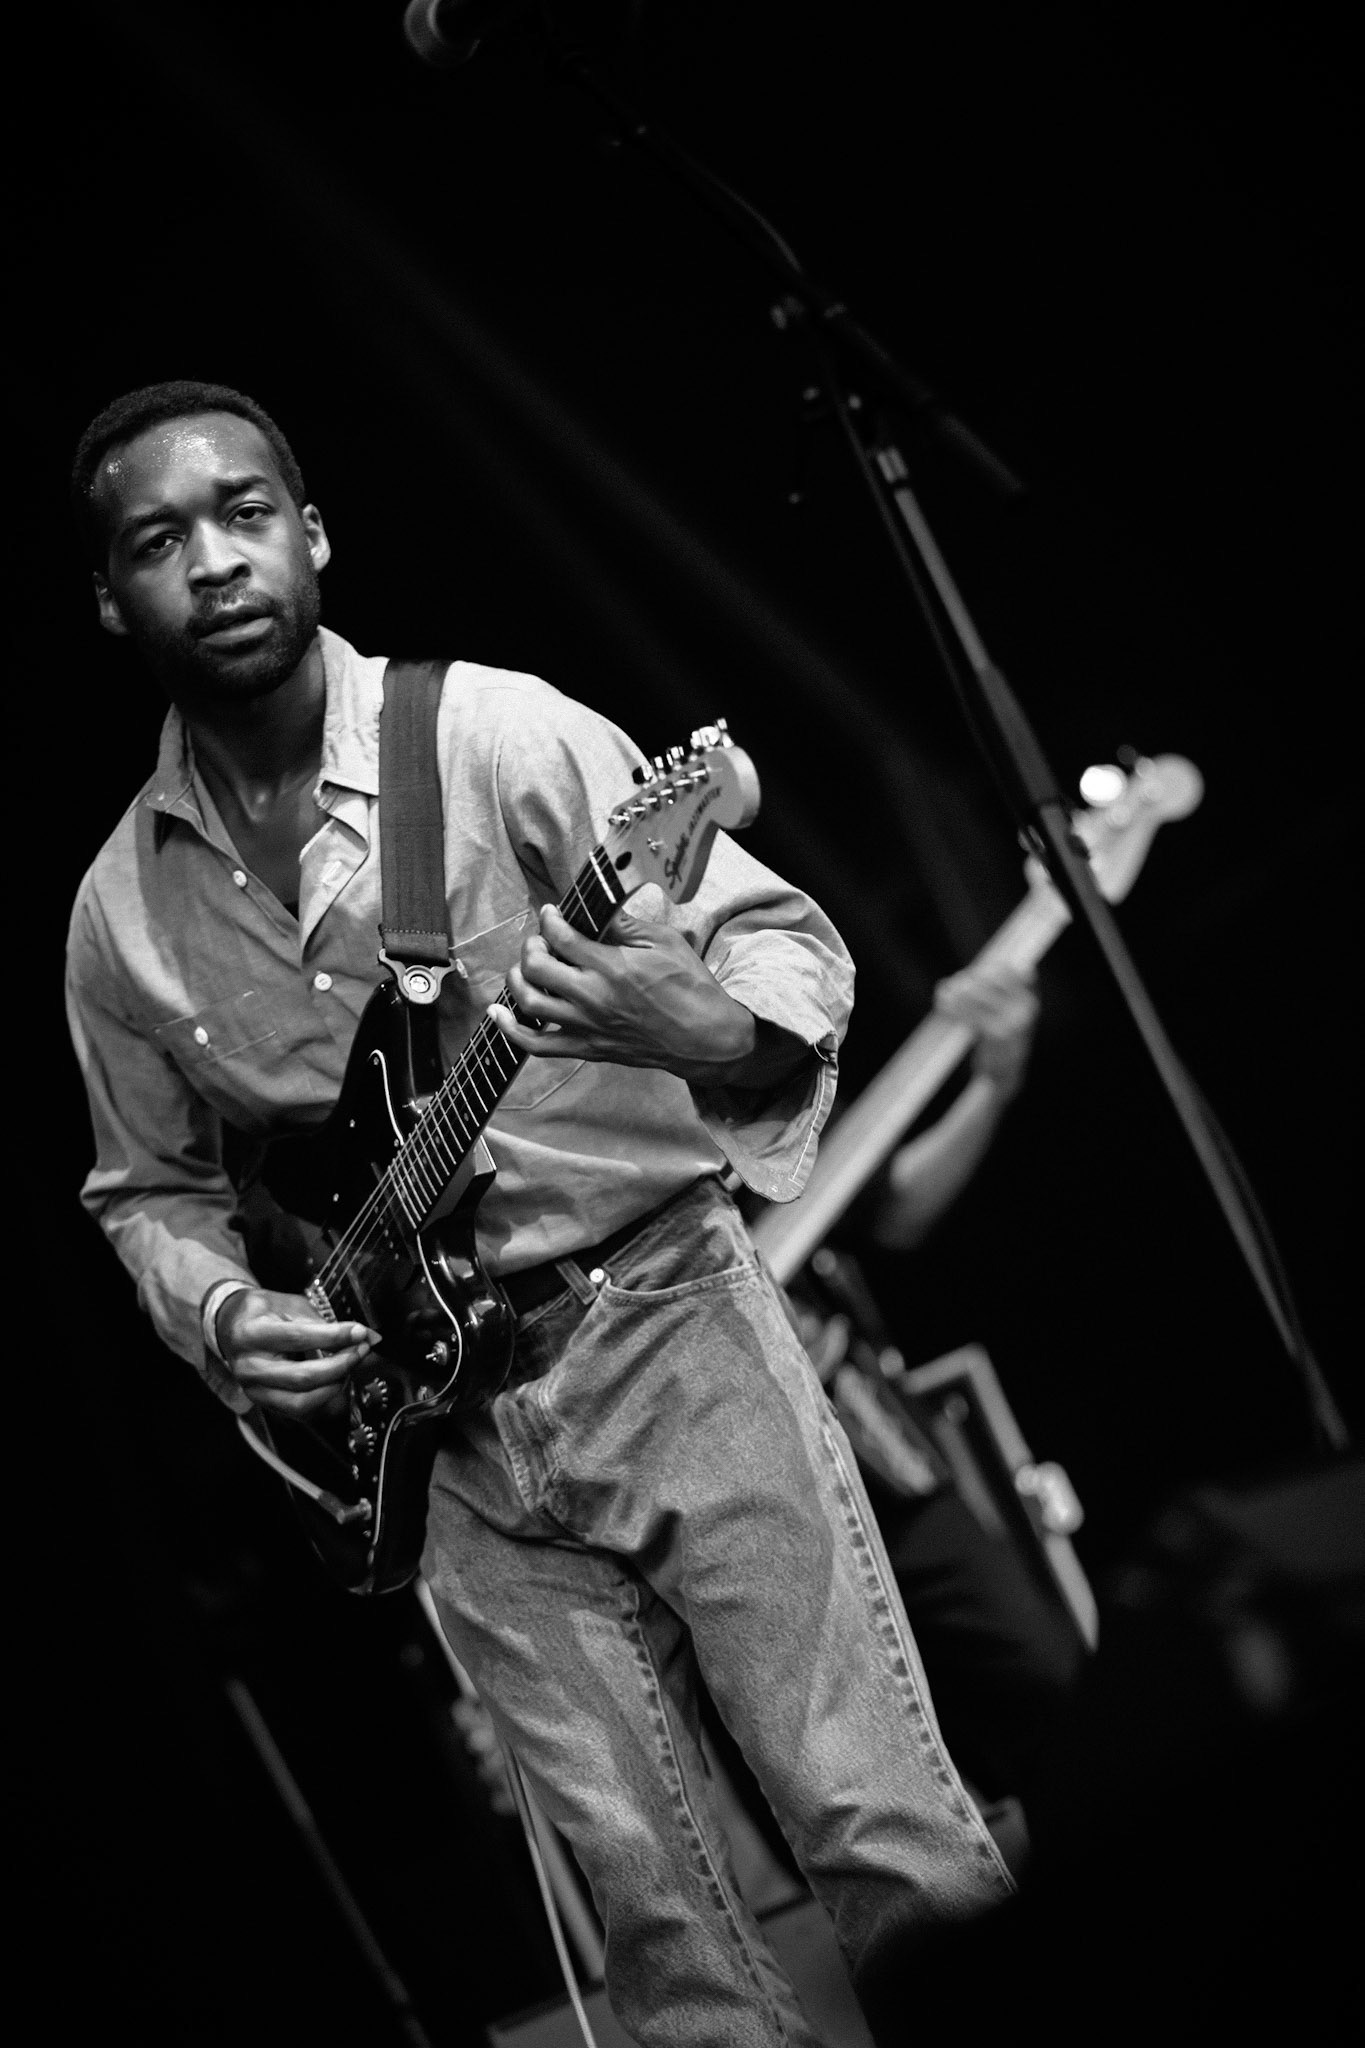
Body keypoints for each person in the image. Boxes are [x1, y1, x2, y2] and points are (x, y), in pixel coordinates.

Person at [64, 379, 1013, 2048]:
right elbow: (147, 1186)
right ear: (110, 597)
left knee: (883, 1836)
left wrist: (702, 1026)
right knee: (671, 1956)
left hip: (664, 1327)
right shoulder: (117, 913)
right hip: (445, 1456)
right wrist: (223, 1310)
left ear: (314, 533)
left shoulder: (492, 734)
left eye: (245, 512)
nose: (212, 561)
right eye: (159, 539)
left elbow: (778, 944)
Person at [791, 961, 1087, 1829]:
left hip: (873, 1444)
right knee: (879, 1798)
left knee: (1050, 1683)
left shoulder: (711, 1035)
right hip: (738, 1492)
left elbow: (888, 1205)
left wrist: (991, 1083)